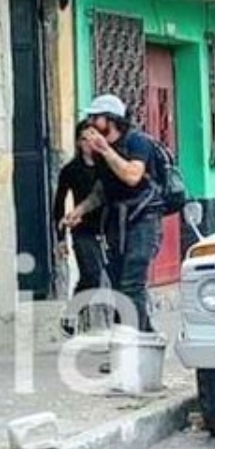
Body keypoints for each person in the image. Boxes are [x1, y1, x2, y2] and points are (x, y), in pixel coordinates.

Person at [79, 93, 179, 338]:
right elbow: (103, 190)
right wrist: (79, 211)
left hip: (144, 220)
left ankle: (130, 348)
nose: (90, 122)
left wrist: (104, 150)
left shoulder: (137, 142)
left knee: (132, 282)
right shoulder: (102, 150)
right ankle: (143, 338)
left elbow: (132, 175)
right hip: (116, 223)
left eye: (95, 117)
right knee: (117, 284)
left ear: (111, 119)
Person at [54, 130, 115, 334]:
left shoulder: (106, 166)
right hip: (82, 229)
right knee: (92, 274)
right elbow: (59, 204)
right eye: (84, 139)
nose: (89, 143)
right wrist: (60, 238)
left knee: (112, 275)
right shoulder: (71, 170)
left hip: (107, 227)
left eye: (93, 139)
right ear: (79, 143)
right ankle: (73, 313)